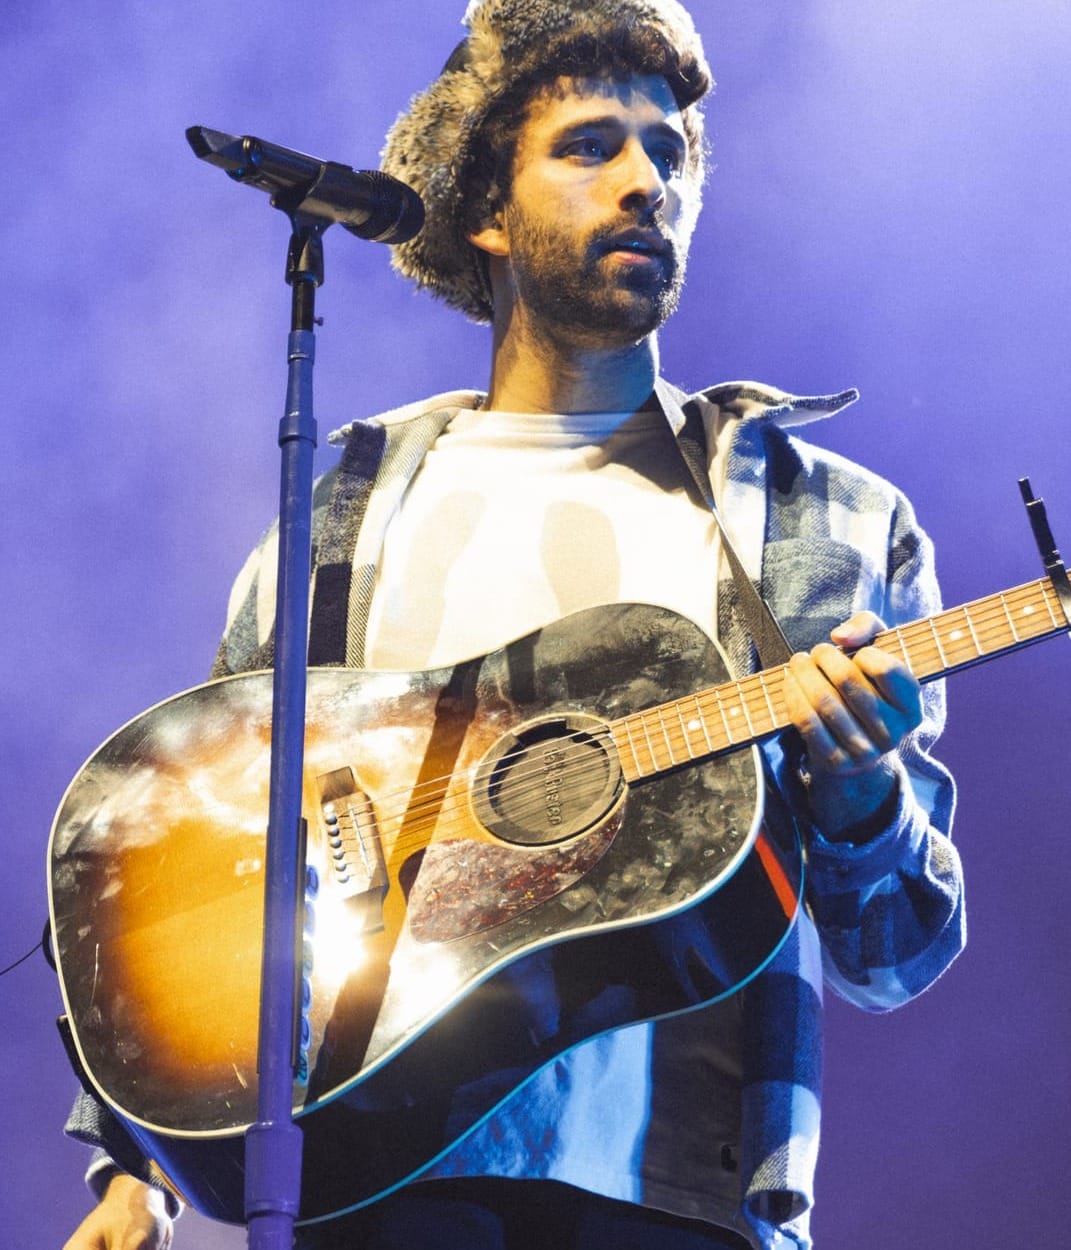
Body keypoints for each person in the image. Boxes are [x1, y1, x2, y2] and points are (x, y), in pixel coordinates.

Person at [61, 1, 966, 1247]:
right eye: (593, 144)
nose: (650, 181)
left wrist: (862, 784)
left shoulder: (826, 523)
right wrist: (135, 1163)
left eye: (672, 150)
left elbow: (898, 953)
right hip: (370, 1178)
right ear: (486, 206)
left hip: (680, 1194)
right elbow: (195, 839)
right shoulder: (344, 513)